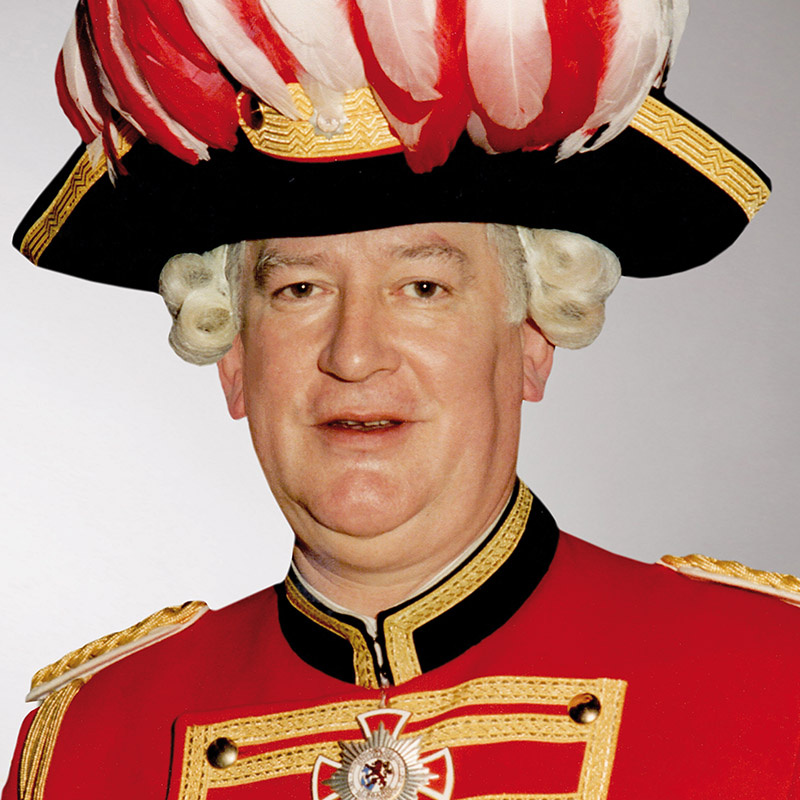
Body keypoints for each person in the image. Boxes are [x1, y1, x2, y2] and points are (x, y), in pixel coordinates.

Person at [3, 0, 800, 798]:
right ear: (235, 356)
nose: (354, 355)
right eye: (299, 290)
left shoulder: (773, 681)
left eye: (423, 287)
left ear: (533, 336)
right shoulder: (88, 746)